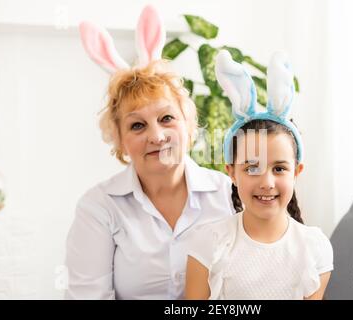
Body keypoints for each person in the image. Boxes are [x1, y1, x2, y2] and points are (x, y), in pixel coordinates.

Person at [65, 6, 234, 299]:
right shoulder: (98, 208)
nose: (156, 136)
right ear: (118, 140)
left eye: (167, 118)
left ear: (188, 123)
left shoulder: (228, 194)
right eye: (137, 125)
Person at [185, 50, 333, 300]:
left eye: (279, 168)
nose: (267, 182)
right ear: (231, 172)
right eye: (252, 168)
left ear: (297, 172)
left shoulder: (314, 247)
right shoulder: (208, 243)